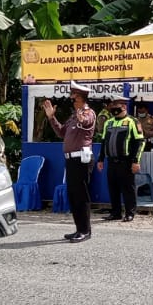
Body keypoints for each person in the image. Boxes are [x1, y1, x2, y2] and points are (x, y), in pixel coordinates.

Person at [41, 83, 97, 243]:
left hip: (82, 159)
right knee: (73, 196)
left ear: (81, 98)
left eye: (75, 97)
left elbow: (87, 122)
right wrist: (52, 117)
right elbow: (61, 132)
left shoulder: (88, 113)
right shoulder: (74, 116)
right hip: (72, 159)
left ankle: (85, 231)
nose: (72, 100)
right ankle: (79, 228)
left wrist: (82, 118)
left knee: (81, 196)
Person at [98, 96, 143, 222]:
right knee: (113, 188)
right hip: (111, 161)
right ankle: (116, 212)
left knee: (128, 188)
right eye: (113, 105)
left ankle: (130, 213)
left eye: (117, 105)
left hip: (126, 162)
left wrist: (135, 161)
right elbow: (103, 142)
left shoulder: (132, 121)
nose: (113, 108)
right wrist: (100, 159)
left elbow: (139, 142)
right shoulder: (109, 122)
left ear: (124, 106)